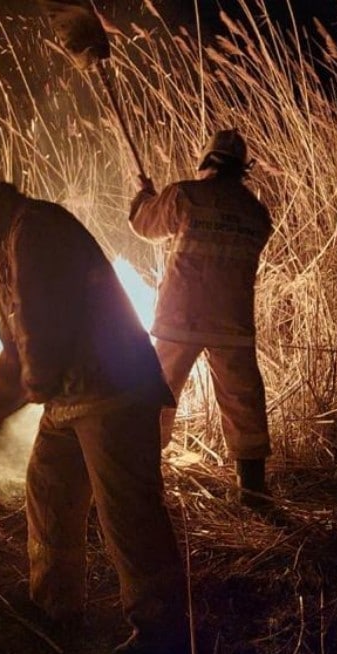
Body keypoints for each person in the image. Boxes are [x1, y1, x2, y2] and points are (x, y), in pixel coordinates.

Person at [0, 161, 190, 654]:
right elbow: (14, 342)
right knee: (48, 486)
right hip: (73, 398)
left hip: (113, 389)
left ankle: (163, 636)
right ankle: (55, 609)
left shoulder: (34, 230)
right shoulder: (8, 241)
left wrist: (36, 384)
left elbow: (39, 326)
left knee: (128, 513)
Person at [128, 129, 274, 506]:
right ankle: (253, 491)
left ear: (207, 160)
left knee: (155, 393)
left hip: (181, 317)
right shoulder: (257, 214)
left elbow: (145, 225)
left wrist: (144, 197)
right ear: (243, 168)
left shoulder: (185, 195)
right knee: (244, 401)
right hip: (232, 324)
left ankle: (143, 481)